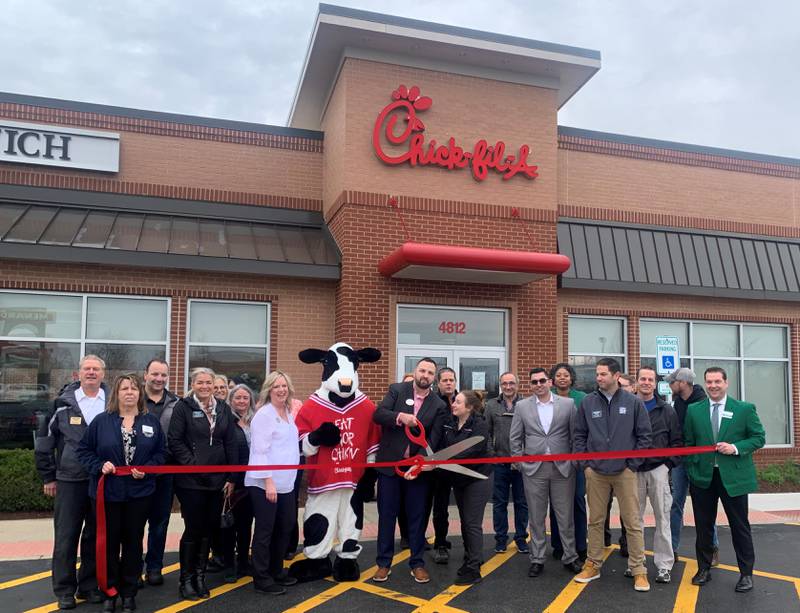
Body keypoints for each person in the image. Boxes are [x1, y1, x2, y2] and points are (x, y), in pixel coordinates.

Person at [77, 373, 166, 613]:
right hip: (109, 494)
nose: (129, 392)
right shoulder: (101, 422)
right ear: (116, 393)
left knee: (133, 543)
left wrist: (148, 470)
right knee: (108, 543)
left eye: (134, 389)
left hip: (139, 494)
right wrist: (99, 465)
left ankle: (129, 593)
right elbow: (84, 451)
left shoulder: (151, 422)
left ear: (140, 394)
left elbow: (161, 455)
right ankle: (109, 591)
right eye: (124, 388)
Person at [36, 354, 108, 610]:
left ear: (103, 374)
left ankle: (88, 586)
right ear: (78, 374)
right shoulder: (61, 404)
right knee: (66, 536)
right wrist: (49, 475)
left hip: (101, 480)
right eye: (87, 368)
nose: (91, 372)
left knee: (94, 536)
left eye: (96, 369)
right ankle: (65, 590)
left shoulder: (111, 402)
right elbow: (45, 441)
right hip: (69, 479)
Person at [573, 358, 652, 592]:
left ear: (616, 376)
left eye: (603, 374)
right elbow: (579, 435)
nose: (598, 378)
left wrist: (633, 465)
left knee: (632, 522)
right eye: (597, 374)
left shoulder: (633, 402)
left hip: (625, 471)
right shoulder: (588, 402)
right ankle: (593, 565)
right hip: (595, 472)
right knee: (595, 520)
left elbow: (644, 436)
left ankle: (639, 570)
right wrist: (585, 465)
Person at [684, 367, 765, 593]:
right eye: (709, 382)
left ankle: (746, 574)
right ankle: (704, 569)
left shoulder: (744, 409)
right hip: (704, 478)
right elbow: (689, 443)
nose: (713, 386)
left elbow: (759, 438)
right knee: (703, 526)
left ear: (726, 383)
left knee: (739, 526)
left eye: (717, 381)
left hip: (734, 478)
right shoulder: (694, 410)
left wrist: (736, 448)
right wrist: (693, 468)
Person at [372, 357, 448, 584]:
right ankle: (383, 564)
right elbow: (378, 415)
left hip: (418, 472)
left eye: (430, 373)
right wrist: (400, 417)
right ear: (415, 372)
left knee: (417, 518)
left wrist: (420, 464)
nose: (425, 375)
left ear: (434, 378)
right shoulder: (397, 390)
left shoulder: (439, 405)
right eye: (422, 370)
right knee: (387, 517)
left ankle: (417, 563)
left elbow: (432, 441)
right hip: (390, 469)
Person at [168, 367, 238, 601]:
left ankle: (199, 577)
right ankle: (186, 580)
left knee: (209, 528)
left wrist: (231, 477)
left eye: (209, 382)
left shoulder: (224, 409)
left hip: (218, 481)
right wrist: (194, 466)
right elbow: (175, 441)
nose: (205, 386)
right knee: (193, 528)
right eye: (200, 382)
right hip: (191, 481)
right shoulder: (183, 407)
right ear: (193, 384)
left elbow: (231, 444)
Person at [511, 368, 582, 578]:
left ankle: (570, 557)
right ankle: (537, 558)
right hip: (534, 469)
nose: (539, 384)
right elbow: (515, 438)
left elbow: (575, 435)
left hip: (562, 468)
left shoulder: (568, 404)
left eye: (542, 380)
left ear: (549, 382)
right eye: (534, 382)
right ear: (530, 385)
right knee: (536, 516)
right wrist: (520, 463)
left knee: (565, 515)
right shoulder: (522, 406)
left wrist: (574, 462)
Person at [245, 371, 300, 595]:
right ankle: (261, 577)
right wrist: (268, 482)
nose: (281, 390)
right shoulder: (264, 415)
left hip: (286, 483)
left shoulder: (287, 412)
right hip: (264, 483)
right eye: (276, 386)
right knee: (265, 531)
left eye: (284, 386)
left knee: (285, 526)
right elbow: (260, 450)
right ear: (269, 389)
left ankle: (276, 570)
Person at [632, 367, 682, 584]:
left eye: (650, 379)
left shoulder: (667, 410)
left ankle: (664, 566)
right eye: (642, 378)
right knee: (635, 521)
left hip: (658, 470)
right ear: (636, 382)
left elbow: (677, 442)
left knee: (662, 519)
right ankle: (637, 564)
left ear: (655, 384)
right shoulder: (628, 407)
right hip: (633, 471)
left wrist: (667, 466)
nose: (646, 382)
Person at [439, 390, 493, 585]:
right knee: (464, 520)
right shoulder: (450, 423)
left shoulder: (479, 425)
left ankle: (473, 568)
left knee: (472, 522)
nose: (453, 404)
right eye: (454, 401)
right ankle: (471, 556)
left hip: (478, 478)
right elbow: (442, 445)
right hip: (459, 478)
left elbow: (471, 451)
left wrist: (439, 460)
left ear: (469, 407)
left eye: (458, 402)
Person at [666, 367, 718, 564]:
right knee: (675, 504)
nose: (670, 385)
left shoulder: (704, 403)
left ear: (683, 383)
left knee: (705, 507)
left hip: (699, 461)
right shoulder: (678, 402)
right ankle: (673, 548)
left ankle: (712, 548)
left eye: (673, 382)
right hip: (680, 461)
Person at [140, 359, 180, 587]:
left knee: (159, 523)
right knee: (134, 524)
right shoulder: (134, 399)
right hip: (136, 474)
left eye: (163, 375)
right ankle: (133, 567)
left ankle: (154, 567)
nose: (159, 379)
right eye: (155, 374)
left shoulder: (176, 403)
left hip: (164, 474)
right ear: (146, 375)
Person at [485, 371, 529, 554]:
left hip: (522, 464)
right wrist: (492, 454)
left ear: (517, 385)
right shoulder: (491, 405)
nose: (508, 387)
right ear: (500, 385)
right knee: (499, 503)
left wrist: (525, 456)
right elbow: (486, 432)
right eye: (505, 384)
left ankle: (520, 538)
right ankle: (500, 539)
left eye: (512, 383)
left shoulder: (527, 404)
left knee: (522, 503)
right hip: (499, 463)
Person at [549, 363, 587, 560]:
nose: (562, 378)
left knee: (577, 500)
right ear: (553, 379)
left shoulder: (583, 399)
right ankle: (558, 544)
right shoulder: (546, 397)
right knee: (556, 504)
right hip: (554, 460)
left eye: (566, 375)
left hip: (577, 460)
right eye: (558, 375)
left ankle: (580, 545)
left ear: (571, 378)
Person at [221, 384, 257, 581]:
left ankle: (244, 562)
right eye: (238, 398)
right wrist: (230, 478)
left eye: (245, 398)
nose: (242, 401)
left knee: (246, 524)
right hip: (233, 482)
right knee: (229, 526)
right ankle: (229, 566)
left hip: (252, 482)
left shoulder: (256, 421)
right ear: (231, 400)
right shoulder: (226, 421)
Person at [427, 366, 458, 564]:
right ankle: (439, 543)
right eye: (444, 380)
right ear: (438, 383)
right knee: (439, 506)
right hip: (437, 464)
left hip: (459, 462)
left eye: (451, 380)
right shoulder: (433, 403)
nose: (448, 383)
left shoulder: (462, 400)